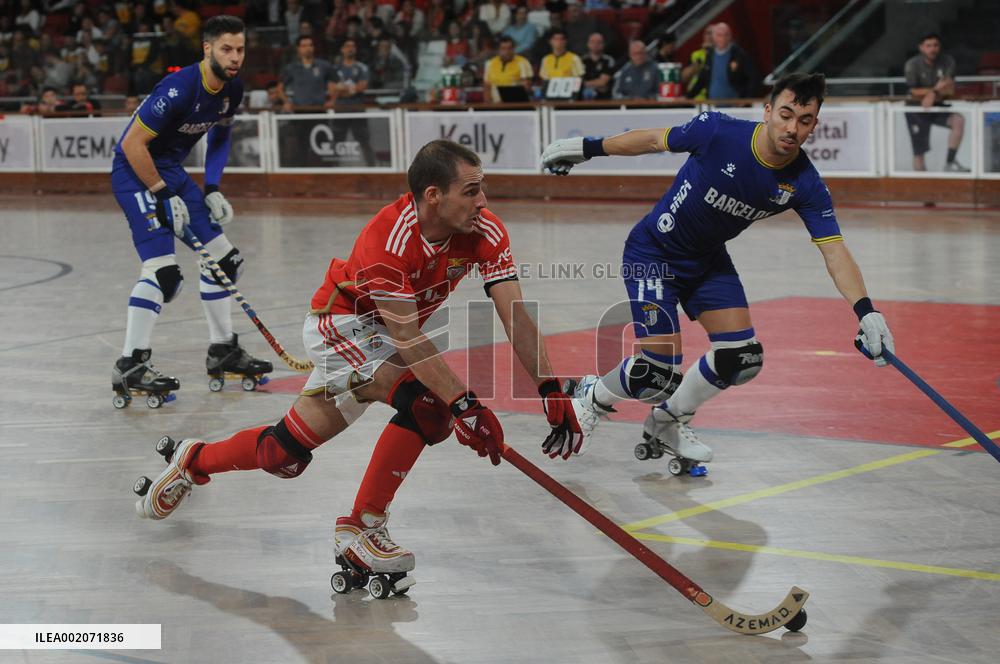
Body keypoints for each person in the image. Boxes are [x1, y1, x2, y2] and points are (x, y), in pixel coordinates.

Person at [131, 139, 583, 593]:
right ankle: (362, 528)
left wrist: (550, 388)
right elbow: (408, 337)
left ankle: (191, 460)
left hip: (385, 338)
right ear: (433, 195)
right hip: (342, 326)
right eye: (470, 191)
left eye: (482, 188)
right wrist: (465, 406)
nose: (482, 200)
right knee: (429, 405)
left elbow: (516, 316)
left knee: (281, 454)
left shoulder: (486, 230)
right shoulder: (387, 239)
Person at [539, 73, 895, 471]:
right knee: (655, 374)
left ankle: (668, 421)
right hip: (654, 251)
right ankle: (591, 398)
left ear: (815, 125)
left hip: (707, 262)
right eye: (786, 114)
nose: (792, 128)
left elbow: (834, 250)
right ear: (767, 111)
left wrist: (867, 311)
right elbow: (652, 140)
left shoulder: (805, 183)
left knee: (741, 358)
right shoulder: (718, 131)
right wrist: (585, 148)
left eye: (805, 120)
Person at [110, 15, 272, 408]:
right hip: (135, 173)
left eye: (240, 49)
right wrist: (161, 193)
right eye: (226, 49)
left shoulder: (232, 88)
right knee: (164, 274)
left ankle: (223, 351)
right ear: (207, 49)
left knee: (225, 262)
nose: (235, 57)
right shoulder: (179, 88)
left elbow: (221, 135)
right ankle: (131, 364)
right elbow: (132, 144)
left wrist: (212, 187)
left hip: (169, 171)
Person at [903, 33, 968, 172]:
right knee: (919, 151)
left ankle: (950, 163)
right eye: (928, 46)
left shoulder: (947, 61)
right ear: (921, 47)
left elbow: (949, 86)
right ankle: (921, 180)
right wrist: (936, 90)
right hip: (916, 110)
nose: (932, 49)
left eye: (935, 45)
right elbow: (913, 90)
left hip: (938, 106)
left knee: (958, 121)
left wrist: (933, 94)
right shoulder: (912, 64)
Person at [686, 22, 757, 100]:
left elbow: (753, 78)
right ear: (714, 37)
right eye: (719, 35)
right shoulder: (710, 55)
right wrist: (688, 97)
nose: (723, 38)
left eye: (726, 35)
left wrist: (746, 99)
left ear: (730, 36)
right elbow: (702, 79)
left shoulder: (739, 54)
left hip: (734, 104)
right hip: (712, 103)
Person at [278, 35, 337, 111]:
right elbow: (279, 89)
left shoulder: (324, 66)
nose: (308, 48)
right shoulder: (291, 68)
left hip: (320, 109)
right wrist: (287, 102)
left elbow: (335, 86)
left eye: (310, 45)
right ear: (298, 49)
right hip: (299, 110)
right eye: (304, 46)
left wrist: (332, 101)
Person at [483, 35, 533, 102]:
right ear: (498, 50)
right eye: (503, 48)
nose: (507, 51)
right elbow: (487, 87)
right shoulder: (490, 63)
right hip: (495, 104)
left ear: (514, 49)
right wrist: (488, 106)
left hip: (515, 103)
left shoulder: (523, 62)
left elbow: (526, 87)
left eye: (510, 48)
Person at [682, 25, 712, 101]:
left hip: (714, 98)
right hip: (695, 98)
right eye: (708, 33)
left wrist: (710, 52)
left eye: (713, 33)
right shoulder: (696, 55)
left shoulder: (720, 55)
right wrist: (697, 64)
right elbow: (684, 78)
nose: (710, 36)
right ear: (704, 36)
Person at [580, 32, 614, 100]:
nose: (596, 44)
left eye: (599, 42)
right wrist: (597, 84)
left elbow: (603, 82)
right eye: (592, 42)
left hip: (604, 99)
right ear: (588, 44)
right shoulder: (581, 61)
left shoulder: (608, 60)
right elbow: (578, 82)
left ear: (603, 44)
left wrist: (585, 84)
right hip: (582, 99)